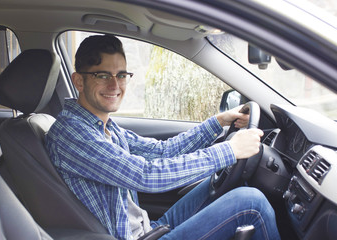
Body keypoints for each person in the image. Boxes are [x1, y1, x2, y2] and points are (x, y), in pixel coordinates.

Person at [45, 34, 280, 240]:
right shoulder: (72, 133)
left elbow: (162, 151)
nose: (115, 85)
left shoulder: (104, 126)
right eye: (103, 75)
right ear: (78, 81)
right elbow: (145, 175)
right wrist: (229, 151)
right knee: (252, 203)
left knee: (228, 185)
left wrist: (218, 122)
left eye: (122, 75)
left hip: (147, 229)